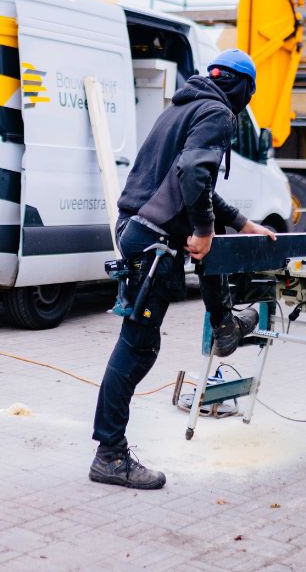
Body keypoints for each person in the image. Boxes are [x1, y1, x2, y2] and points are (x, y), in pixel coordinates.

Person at [89, 49, 276, 489]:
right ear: (243, 89)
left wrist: (240, 223)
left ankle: (225, 324)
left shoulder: (184, 106)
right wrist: (206, 229)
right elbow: (194, 174)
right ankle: (109, 454)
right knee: (136, 348)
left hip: (137, 228)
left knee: (143, 341)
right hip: (151, 239)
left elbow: (193, 183)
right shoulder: (218, 113)